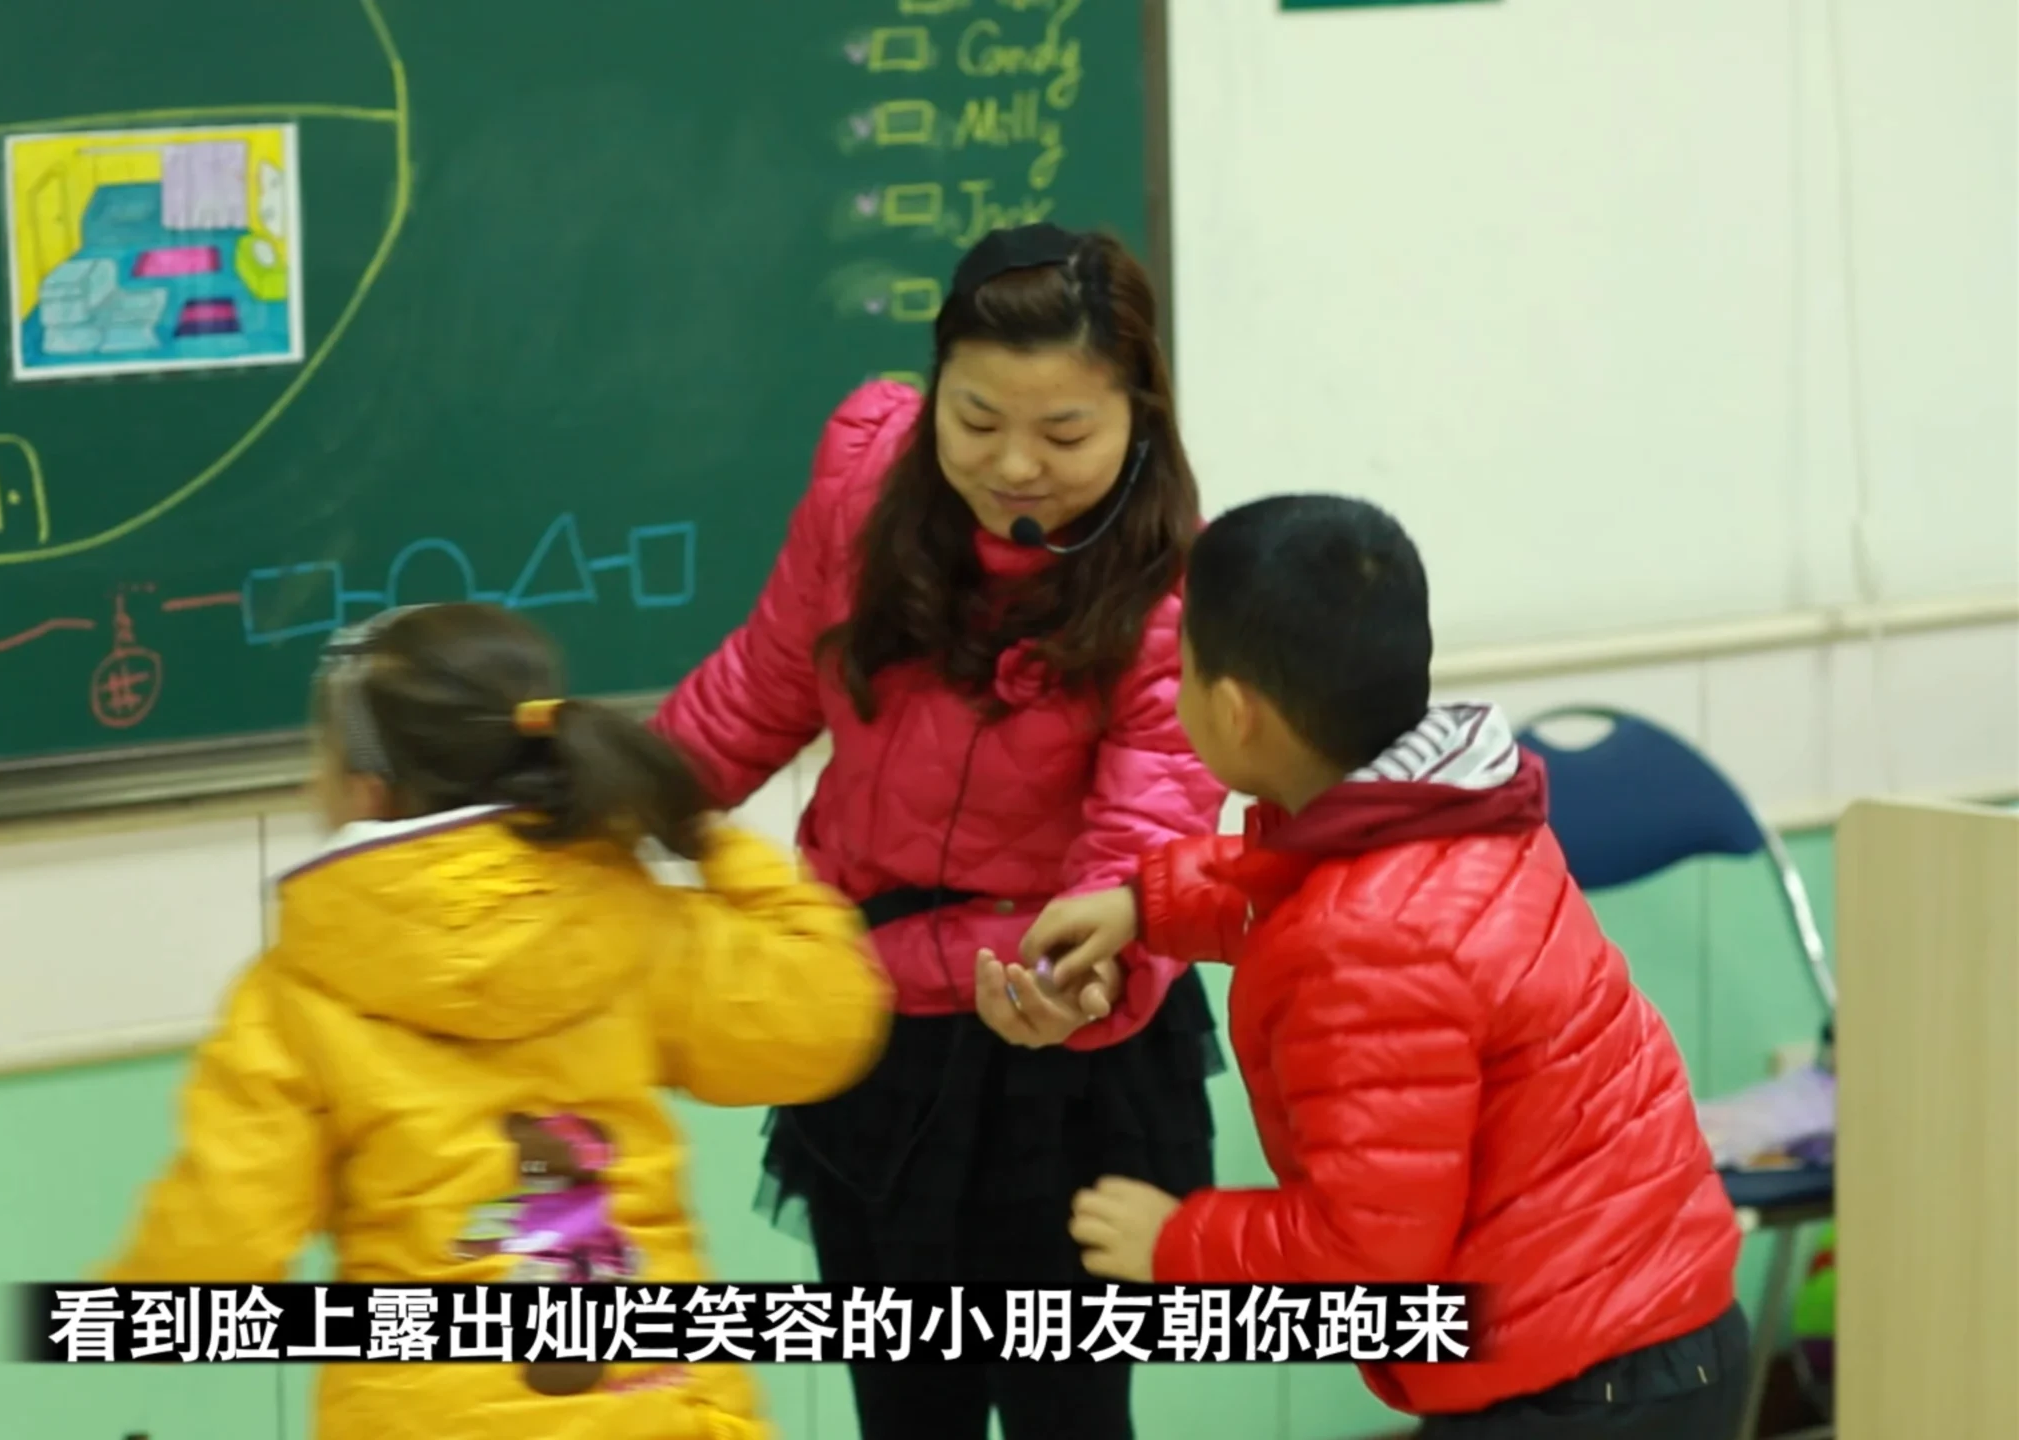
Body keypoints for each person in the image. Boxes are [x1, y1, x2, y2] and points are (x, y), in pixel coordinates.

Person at [652, 223, 1226, 1439]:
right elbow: (765, 682)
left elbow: (1136, 859)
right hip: (872, 1044)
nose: (1014, 465)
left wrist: (1078, 976)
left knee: (1068, 1416)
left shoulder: (1171, 586)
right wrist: (612, 797)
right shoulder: (865, 480)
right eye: (974, 421)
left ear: (1138, 413)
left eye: (1065, 433)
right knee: (904, 1411)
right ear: (933, 392)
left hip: (1061, 1064)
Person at [1036, 496, 1748, 1439]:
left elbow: (1368, 1259)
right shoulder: (1459, 793)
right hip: (1650, 1327)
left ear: (1236, 712)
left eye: (1184, 670)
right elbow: (1302, 875)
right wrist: (1145, 905)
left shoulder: (1364, 941)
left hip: (1579, 1391)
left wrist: (1175, 1243)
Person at [100, 602, 891, 1440]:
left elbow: (213, 1256)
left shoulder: (296, 992)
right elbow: (826, 1019)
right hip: (658, 1409)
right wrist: (701, 837)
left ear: (365, 789)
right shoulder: (633, 921)